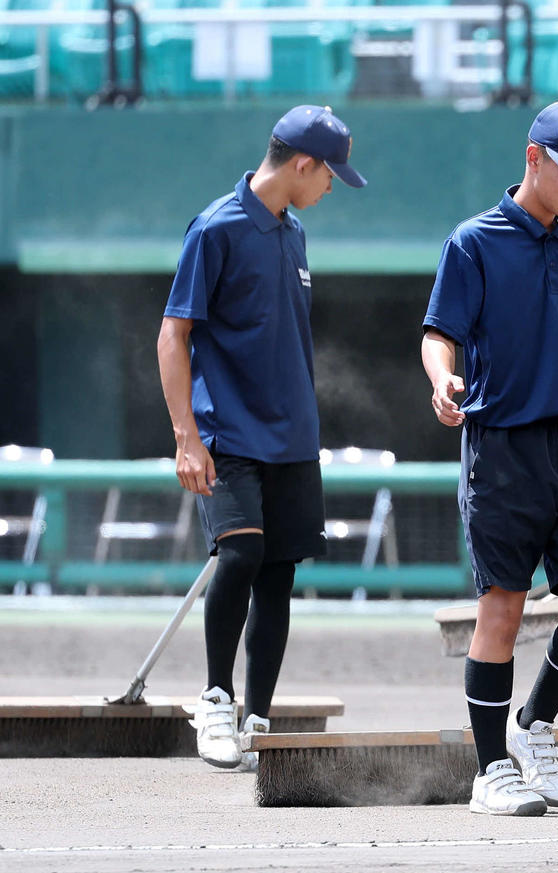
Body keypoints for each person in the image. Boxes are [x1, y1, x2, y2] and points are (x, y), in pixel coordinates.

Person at [421, 99, 558, 816]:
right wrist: (442, 378)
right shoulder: (472, 241)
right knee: (501, 610)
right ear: (533, 157)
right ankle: (490, 769)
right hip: (502, 443)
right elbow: (438, 332)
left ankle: (534, 722)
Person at [157, 105, 366, 771]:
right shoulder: (215, 229)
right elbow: (173, 334)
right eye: (331, 172)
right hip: (228, 433)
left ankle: (259, 721)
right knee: (241, 557)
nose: (334, 184)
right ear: (303, 164)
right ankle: (216, 700)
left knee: (278, 577)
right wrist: (187, 437)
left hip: (294, 440)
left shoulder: (294, 231)